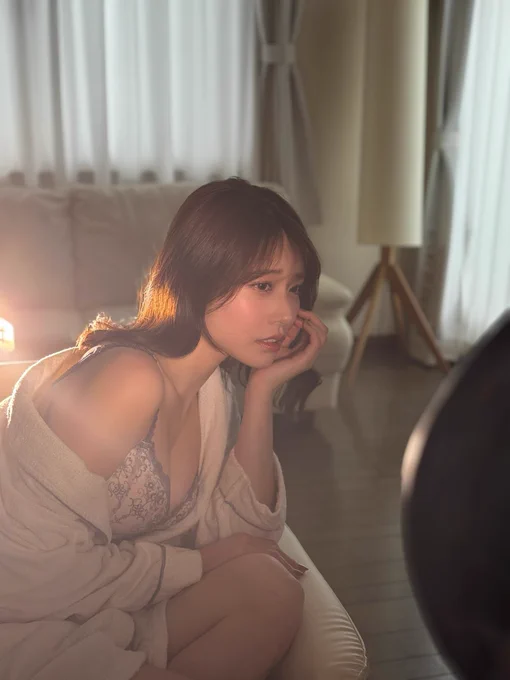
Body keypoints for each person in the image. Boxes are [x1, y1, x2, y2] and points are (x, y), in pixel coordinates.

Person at [0, 178, 327, 680]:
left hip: (102, 606)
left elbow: (248, 534)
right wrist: (207, 561)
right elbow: (31, 575)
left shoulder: (211, 391)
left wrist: (262, 390)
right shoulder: (128, 379)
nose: (286, 313)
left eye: (294, 288)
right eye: (263, 285)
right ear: (201, 275)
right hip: (22, 618)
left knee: (273, 590)